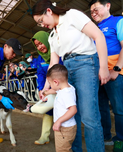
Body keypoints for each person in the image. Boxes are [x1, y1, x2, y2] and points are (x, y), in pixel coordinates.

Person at [32, 0, 110, 152]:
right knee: (71, 115)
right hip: (66, 69)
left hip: (85, 63)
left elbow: (98, 36)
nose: (42, 25)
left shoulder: (72, 15)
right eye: (39, 24)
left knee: (89, 115)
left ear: (49, 11)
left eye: (41, 21)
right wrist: (46, 87)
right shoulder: (52, 36)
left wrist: (103, 67)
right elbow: (53, 63)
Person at [89, 1, 123, 151]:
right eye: (91, 11)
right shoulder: (93, 28)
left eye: (96, 9)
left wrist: (117, 69)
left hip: (114, 72)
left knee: (119, 107)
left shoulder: (119, 21)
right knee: (101, 107)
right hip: (97, 74)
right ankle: (106, 135)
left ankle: (120, 140)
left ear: (107, 6)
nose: (93, 13)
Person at [47, 64, 77, 152]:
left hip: (64, 128)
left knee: (62, 150)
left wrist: (58, 121)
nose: (50, 86)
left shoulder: (66, 93)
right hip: (65, 127)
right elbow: (55, 89)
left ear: (56, 82)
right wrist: (46, 93)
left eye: (50, 83)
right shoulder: (67, 88)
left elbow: (73, 109)